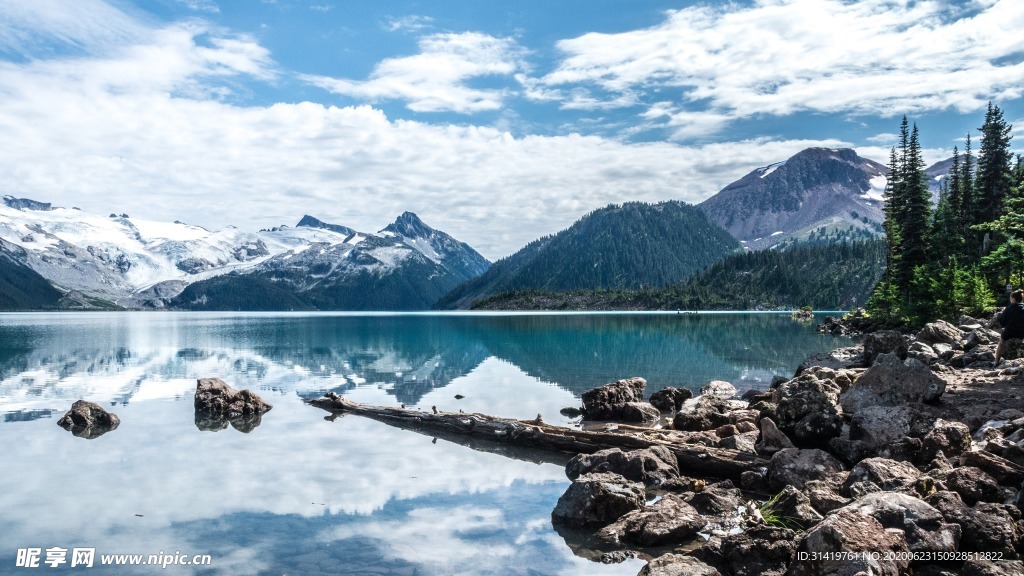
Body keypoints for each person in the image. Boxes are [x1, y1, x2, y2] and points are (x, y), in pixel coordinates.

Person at [995, 289, 1024, 365]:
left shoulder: (1008, 308)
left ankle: (996, 362)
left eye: (1010, 298)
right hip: (1022, 332)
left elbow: (1002, 323)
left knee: (1001, 343)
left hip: (1010, 332)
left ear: (1013, 299)